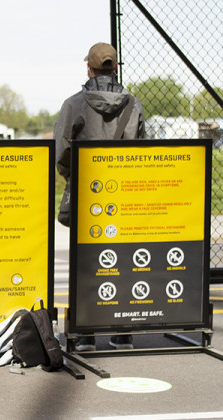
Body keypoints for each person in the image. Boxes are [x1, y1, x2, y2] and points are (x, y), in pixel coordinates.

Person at [54, 42, 146, 351]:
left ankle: (84, 334)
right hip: (123, 196)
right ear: (115, 68)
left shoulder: (74, 104)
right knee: (124, 260)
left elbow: (62, 152)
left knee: (86, 262)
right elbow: (143, 150)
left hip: (88, 193)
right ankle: (122, 332)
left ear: (89, 69)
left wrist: (75, 179)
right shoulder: (134, 105)